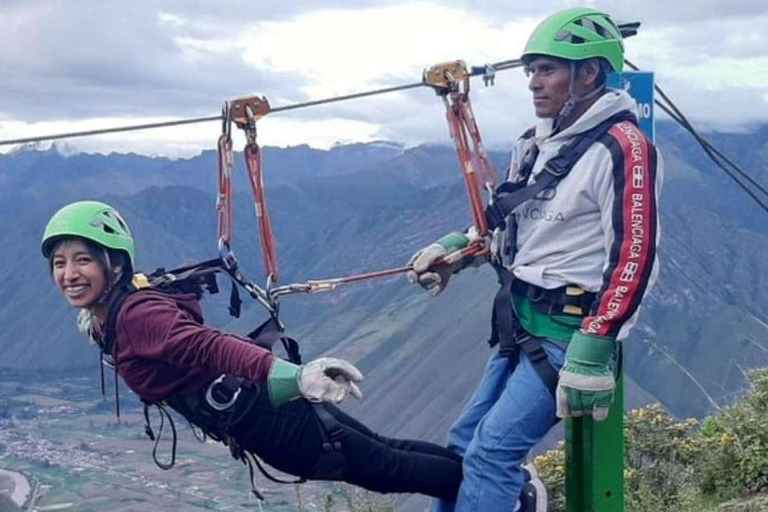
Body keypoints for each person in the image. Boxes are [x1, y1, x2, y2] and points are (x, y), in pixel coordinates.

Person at [407, 7, 663, 512]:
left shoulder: (625, 148)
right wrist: (456, 251)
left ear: (589, 72)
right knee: (464, 447)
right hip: (521, 323)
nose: (532, 83)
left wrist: (596, 344)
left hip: (569, 334)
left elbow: (636, 252)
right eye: (531, 70)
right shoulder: (534, 144)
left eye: (548, 69)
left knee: (491, 455)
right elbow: (510, 225)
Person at [42, 200, 463, 501]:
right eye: (60, 263)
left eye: (83, 260)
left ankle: (500, 495)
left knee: (385, 468)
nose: (69, 274)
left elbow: (203, 344)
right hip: (257, 398)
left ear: (113, 264)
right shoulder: (115, 308)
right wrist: (95, 320)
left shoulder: (135, 316)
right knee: (385, 452)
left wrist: (291, 376)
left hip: (263, 416)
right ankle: (484, 478)